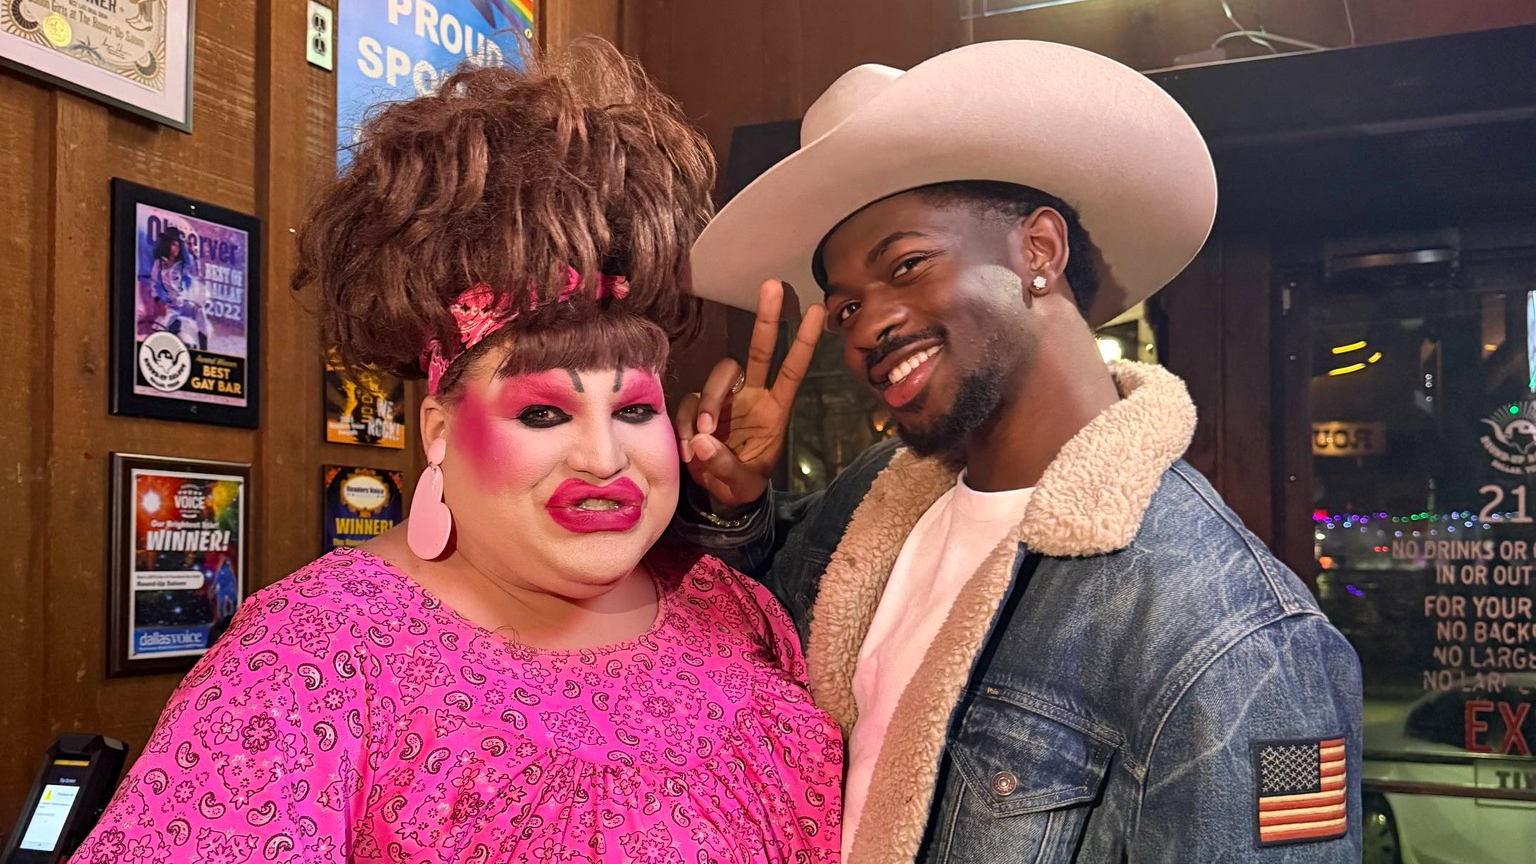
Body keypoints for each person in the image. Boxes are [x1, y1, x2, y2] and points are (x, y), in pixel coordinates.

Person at [74, 42, 842, 864]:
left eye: (633, 408)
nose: (603, 457)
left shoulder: (732, 610)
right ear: (439, 432)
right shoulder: (314, 659)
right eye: (543, 413)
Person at [672, 41, 1363, 862]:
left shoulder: (1239, 637)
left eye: (908, 265)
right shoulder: (871, 502)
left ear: (1039, 251)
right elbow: (741, 648)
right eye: (847, 305)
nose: (869, 325)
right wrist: (739, 503)